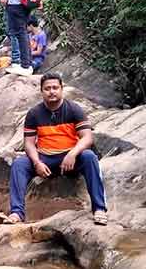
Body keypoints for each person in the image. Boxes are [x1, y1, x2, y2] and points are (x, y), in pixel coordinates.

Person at [7, 73, 107, 225]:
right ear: (41, 91)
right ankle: (16, 213)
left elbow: (87, 137)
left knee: (89, 157)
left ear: (61, 89)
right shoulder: (34, 114)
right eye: (47, 88)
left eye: (55, 88)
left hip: (70, 159)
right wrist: (36, 163)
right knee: (19, 164)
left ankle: (99, 209)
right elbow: (29, 143)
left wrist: (73, 154)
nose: (52, 91)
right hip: (45, 158)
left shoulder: (74, 109)